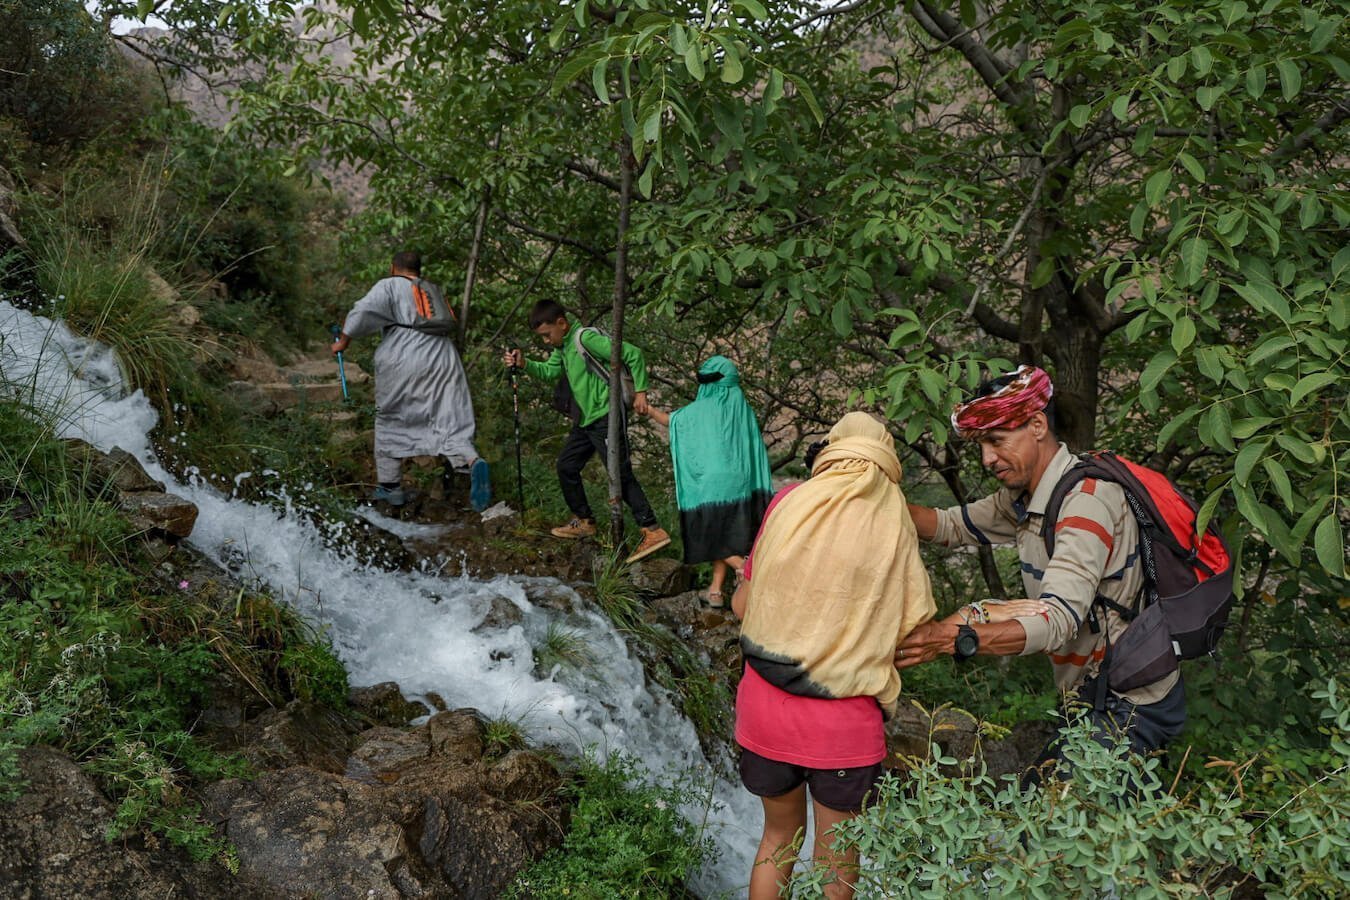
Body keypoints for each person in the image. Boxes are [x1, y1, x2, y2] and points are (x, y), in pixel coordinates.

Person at [895, 365, 1187, 778]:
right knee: (1062, 816)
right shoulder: (1025, 498)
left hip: (1130, 701)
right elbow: (948, 526)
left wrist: (951, 638)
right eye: (981, 445)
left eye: (996, 441)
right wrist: (865, 495)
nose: (987, 459)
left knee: (1067, 825)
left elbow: (1058, 621)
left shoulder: (1085, 502)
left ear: (1036, 425)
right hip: (1090, 695)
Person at [730, 412, 935, 899]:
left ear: (833, 450)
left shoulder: (790, 502)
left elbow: (742, 606)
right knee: (837, 853)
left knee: (777, 840)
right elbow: (913, 632)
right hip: (843, 725)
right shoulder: (891, 519)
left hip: (765, 707)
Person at [501, 299, 671, 564]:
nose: (546, 341)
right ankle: (585, 521)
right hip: (586, 421)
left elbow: (633, 353)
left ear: (562, 323)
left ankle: (652, 529)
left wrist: (641, 392)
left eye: (547, 335)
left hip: (607, 416)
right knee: (566, 466)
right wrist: (524, 365)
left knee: (620, 473)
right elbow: (549, 372)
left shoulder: (585, 339)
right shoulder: (564, 346)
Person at [330, 251, 491, 511]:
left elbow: (363, 310)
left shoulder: (390, 284)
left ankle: (391, 488)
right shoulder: (431, 290)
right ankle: (472, 460)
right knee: (449, 418)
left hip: (405, 356)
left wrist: (343, 341)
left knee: (390, 416)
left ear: (393, 267)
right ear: (418, 270)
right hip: (444, 357)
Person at [642, 356, 772, 608]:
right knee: (727, 533)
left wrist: (648, 409)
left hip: (712, 483)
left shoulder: (703, 407)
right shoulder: (740, 405)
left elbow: (672, 421)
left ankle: (745, 568)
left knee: (711, 533)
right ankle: (715, 591)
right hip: (742, 481)